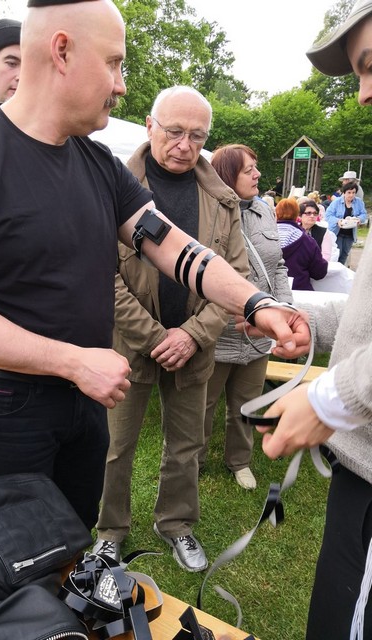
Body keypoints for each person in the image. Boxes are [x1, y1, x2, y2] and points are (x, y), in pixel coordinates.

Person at [0, 0, 307, 534]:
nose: (121, 85)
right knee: (14, 554)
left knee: (72, 537)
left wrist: (257, 304)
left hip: (89, 396)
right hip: (8, 406)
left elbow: (176, 249)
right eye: (114, 63)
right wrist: (73, 362)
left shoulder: (96, 163)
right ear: (62, 51)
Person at [93, 87, 249, 571]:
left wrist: (193, 335)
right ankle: (109, 531)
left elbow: (235, 276)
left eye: (197, 136)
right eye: (174, 131)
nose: (185, 145)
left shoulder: (222, 199)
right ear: (149, 125)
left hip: (194, 348)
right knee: (116, 446)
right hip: (128, 346)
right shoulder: (112, 184)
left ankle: (177, 523)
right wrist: (156, 337)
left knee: (187, 445)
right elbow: (100, 276)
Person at [254, 2, 372, 636]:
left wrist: (329, 399)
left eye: (371, 66)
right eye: (359, 73)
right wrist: (304, 320)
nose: (362, 94)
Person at [198, 144, 293, 490]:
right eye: (248, 170)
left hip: (259, 334)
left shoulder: (265, 210)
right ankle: (194, 460)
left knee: (248, 402)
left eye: (255, 167)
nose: (258, 174)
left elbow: (277, 265)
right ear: (227, 175)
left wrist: (284, 307)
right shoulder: (207, 212)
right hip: (219, 330)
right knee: (202, 404)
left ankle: (239, 461)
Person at [275, 197, 328, 290]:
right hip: (299, 290)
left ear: (276, 214)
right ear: (297, 215)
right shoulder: (307, 241)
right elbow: (319, 272)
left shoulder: (263, 237)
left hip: (268, 291)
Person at [325, 181, 368, 265]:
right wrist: (338, 221)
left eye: (353, 192)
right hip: (337, 232)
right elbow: (328, 215)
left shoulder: (359, 202)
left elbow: (364, 214)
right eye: (349, 192)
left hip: (350, 234)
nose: (351, 195)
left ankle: (341, 271)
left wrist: (359, 219)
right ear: (344, 193)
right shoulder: (336, 202)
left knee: (344, 254)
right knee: (337, 253)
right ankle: (334, 271)